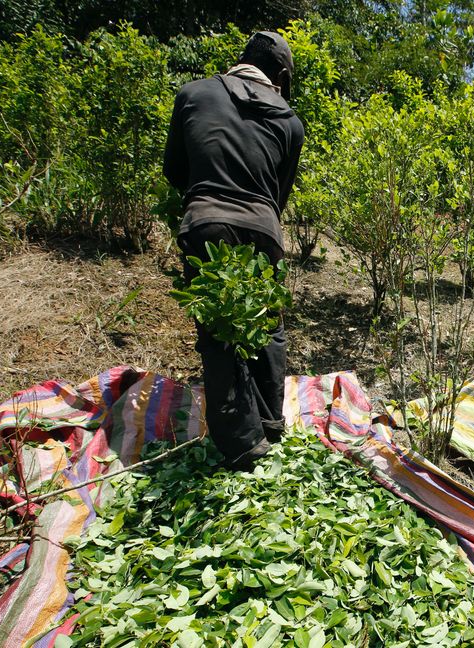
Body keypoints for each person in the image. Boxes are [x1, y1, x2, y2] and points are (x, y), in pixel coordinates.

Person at [163, 31, 305, 470]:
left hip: (205, 221)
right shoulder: (290, 121)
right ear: (279, 75)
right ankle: (269, 422)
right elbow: (276, 196)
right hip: (264, 229)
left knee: (219, 334)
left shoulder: (194, 94)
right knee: (266, 326)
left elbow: (174, 170)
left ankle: (243, 446)